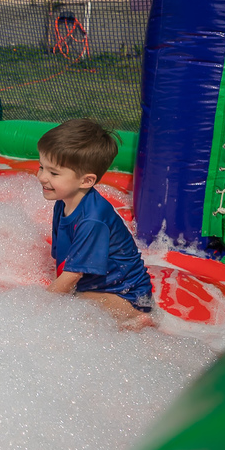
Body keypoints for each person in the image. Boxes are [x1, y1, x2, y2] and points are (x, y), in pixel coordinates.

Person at [35, 118, 154, 330]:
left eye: (53, 173)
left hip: (127, 296)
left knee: (75, 311)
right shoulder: (63, 202)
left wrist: (37, 310)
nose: (41, 177)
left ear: (86, 181)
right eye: (41, 166)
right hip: (100, 287)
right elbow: (63, 261)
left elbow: (72, 276)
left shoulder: (92, 219)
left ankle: (136, 321)